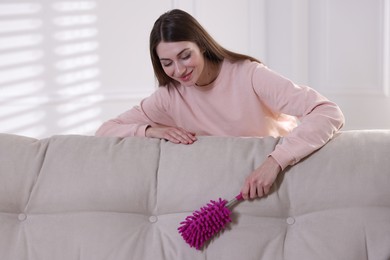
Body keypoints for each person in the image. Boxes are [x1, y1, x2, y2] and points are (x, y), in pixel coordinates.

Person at [95, 9, 344, 200]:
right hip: (232, 188)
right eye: (167, 62)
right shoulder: (169, 96)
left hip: (282, 176)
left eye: (185, 55)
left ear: (201, 46)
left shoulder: (249, 74)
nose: (179, 70)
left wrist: (275, 162)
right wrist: (150, 130)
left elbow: (328, 112)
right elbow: (105, 131)